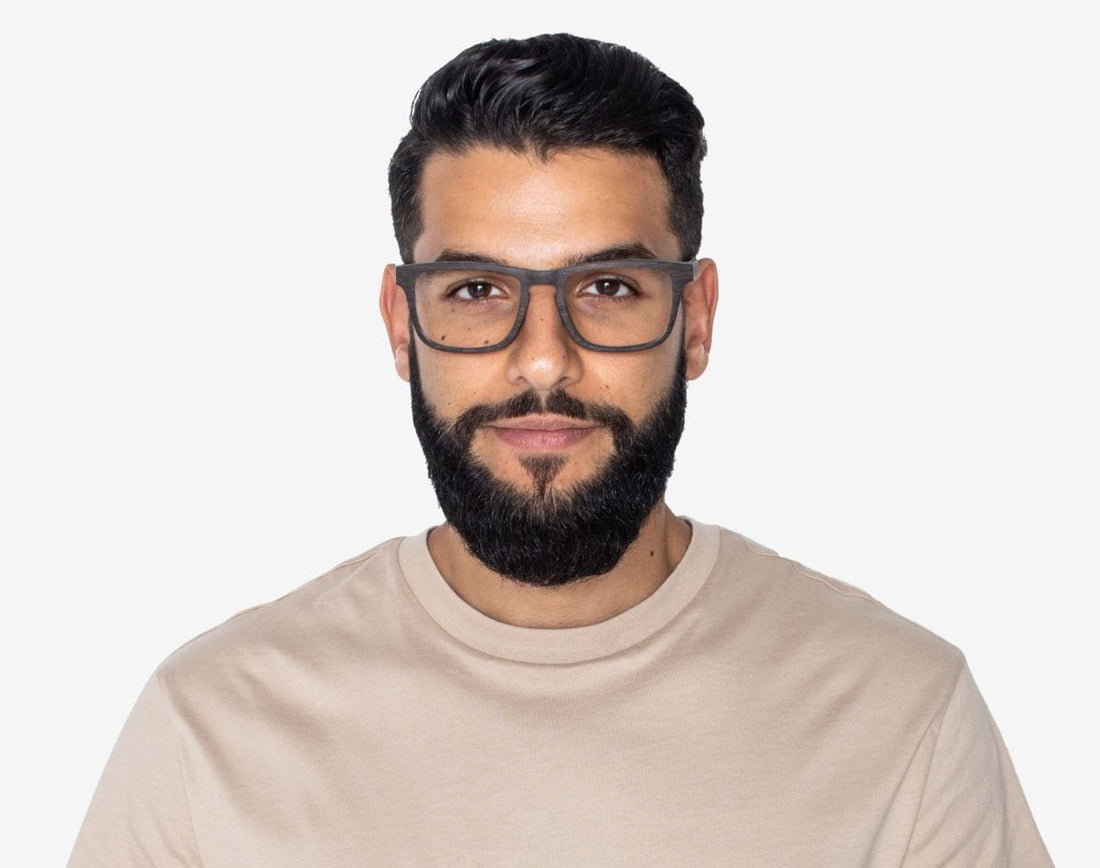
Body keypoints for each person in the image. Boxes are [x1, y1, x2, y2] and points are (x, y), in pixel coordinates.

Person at [68, 33, 1052, 867]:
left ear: (695, 317)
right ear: (401, 324)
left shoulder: (899, 714)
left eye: (608, 288)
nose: (542, 359)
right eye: (476, 290)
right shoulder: (208, 732)